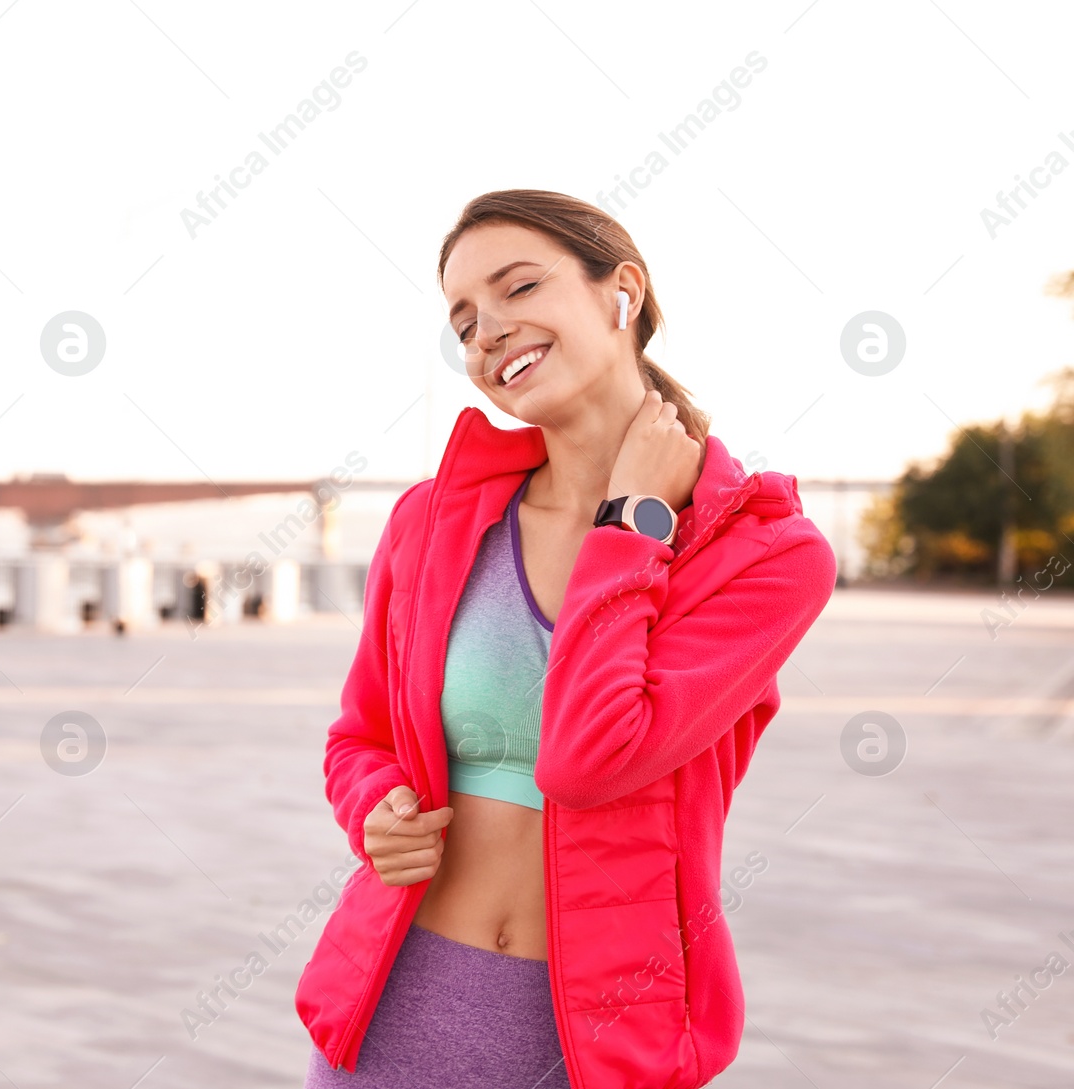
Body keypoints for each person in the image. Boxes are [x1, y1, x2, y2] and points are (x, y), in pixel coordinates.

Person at [295, 190, 838, 1089]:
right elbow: (362, 736)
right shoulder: (430, 523)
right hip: (392, 1011)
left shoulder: (763, 556)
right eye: (464, 320)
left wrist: (630, 523)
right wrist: (376, 810)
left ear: (620, 291)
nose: (488, 332)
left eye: (519, 288)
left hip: (590, 1044)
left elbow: (589, 756)